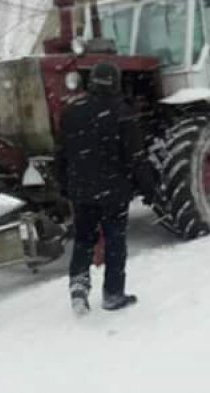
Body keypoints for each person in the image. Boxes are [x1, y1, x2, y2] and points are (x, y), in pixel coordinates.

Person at [57, 62, 141, 314]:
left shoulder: (71, 112)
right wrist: (148, 187)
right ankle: (113, 294)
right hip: (114, 191)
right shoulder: (122, 113)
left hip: (82, 192)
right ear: (114, 83)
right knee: (115, 240)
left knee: (83, 239)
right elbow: (134, 156)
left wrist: (65, 186)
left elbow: (61, 155)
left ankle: (78, 287)